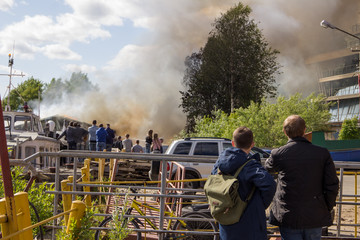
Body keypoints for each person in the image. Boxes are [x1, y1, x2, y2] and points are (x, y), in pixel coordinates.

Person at [265, 115, 339, 240]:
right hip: (314, 214)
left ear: (284, 132)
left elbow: (267, 168)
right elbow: (332, 184)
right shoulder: (322, 153)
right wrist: (326, 206)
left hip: (288, 216)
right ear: (304, 130)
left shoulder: (278, 153)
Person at [211, 126, 276, 240]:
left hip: (226, 220)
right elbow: (270, 184)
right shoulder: (250, 165)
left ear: (232, 143)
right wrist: (259, 205)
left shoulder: (219, 164)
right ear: (252, 144)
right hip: (249, 225)